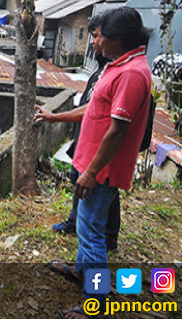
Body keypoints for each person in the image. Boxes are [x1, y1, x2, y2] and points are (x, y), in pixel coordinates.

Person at [54, 7, 151, 319]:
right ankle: (82, 271)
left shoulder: (132, 74)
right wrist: (55, 117)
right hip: (91, 164)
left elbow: (117, 129)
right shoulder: (118, 65)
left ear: (118, 40)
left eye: (100, 37)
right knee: (85, 228)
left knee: (93, 234)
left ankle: (95, 303)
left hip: (103, 171)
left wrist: (92, 171)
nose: (95, 42)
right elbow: (95, 108)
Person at [34, 13, 120, 252]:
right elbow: (91, 108)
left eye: (95, 36)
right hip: (86, 137)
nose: (93, 42)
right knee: (80, 181)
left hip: (99, 147)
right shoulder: (103, 70)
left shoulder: (121, 74)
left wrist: (55, 118)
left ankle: (108, 240)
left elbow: (102, 116)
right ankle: (76, 223)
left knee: (101, 191)